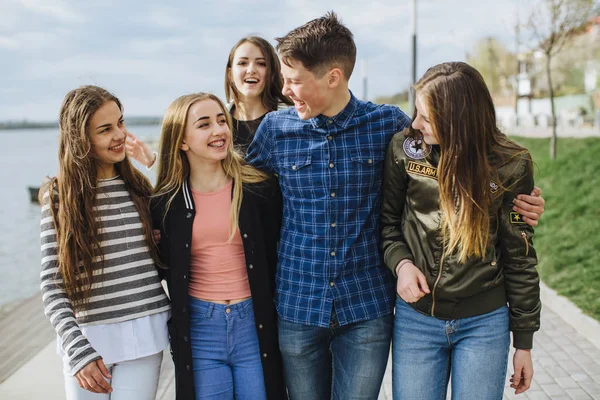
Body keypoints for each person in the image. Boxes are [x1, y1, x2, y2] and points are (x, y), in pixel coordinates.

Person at [246, 12, 545, 400]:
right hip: (300, 302)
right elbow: (236, 189)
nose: (285, 90)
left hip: (371, 306)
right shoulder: (278, 129)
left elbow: (458, 154)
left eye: (295, 80)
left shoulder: (389, 125)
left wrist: (519, 202)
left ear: (333, 76)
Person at [380, 62, 541, 399]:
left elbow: (520, 254)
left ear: (457, 120)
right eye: (417, 112)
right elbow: (388, 225)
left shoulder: (513, 165)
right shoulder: (404, 149)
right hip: (417, 320)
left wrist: (523, 342)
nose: (415, 124)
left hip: (484, 323)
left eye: (426, 117)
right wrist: (402, 264)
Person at [150, 93, 286, 399]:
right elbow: (160, 264)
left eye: (222, 120)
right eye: (204, 124)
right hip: (200, 329)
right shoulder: (165, 203)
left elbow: (278, 252)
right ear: (181, 141)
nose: (219, 130)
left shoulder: (258, 188)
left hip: (254, 323)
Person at [39, 85, 171, 399]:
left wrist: (160, 241)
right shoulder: (60, 197)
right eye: (105, 129)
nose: (119, 134)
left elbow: (165, 258)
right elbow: (51, 283)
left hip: (144, 335)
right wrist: (77, 349)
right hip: (88, 341)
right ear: (81, 139)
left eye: (121, 123)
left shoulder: (139, 187)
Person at [126, 36, 291, 166]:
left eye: (261, 64)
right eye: (242, 63)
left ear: (272, 73)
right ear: (229, 73)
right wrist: (153, 160)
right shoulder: (217, 122)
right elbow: (193, 168)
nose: (251, 70)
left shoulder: (290, 118)